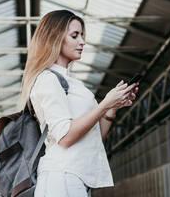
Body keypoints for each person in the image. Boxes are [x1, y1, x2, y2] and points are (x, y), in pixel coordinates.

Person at [18, 10, 139, 197]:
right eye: (75, 36)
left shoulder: (72, 81)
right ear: (55, 38)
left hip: (73, 178)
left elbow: (93, 136)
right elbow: (65, 137)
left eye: (81, 35)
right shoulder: (47, 79)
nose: (82, 41)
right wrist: (104, 104)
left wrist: (112, 107)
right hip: (62, 177)